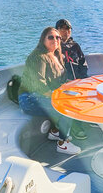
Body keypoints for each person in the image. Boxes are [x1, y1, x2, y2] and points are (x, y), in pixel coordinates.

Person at [18, 27, 81, 155]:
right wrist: (58, 98)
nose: (55, 40)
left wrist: (74, 85)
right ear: (43, 39)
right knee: (66, 107)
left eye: (57, 37)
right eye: (50, 37)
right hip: (30, 98)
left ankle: (55, 132)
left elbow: (59, 81)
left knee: (76, 99)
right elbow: (40, 86)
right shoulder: (38, 57)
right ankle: (63, 144)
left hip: (42, 94)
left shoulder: (56, 55)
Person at [56, 19, 88, 139]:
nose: (66, 31)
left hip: (77, 82)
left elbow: (83, 63)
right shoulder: (54, 47)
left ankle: (85, 119)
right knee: (70, 100)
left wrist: (82, 80)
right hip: (62, 83)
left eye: (68, 29)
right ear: (57, 30)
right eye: (63, 28)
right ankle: (75, 127)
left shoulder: (75, 46)